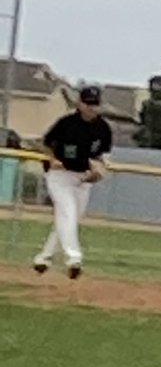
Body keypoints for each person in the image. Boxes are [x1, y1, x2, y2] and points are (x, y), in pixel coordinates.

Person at [33, 84, 112, 278]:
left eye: (95, 104)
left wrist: (98, 172)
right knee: (67, 213)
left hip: (83, 179)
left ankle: (44, 258)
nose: (92, 108)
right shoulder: (67, 123)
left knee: (68, 220)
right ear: (80, 103)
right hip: (60, 177)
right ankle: (74, 258)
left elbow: (103, 157)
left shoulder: (103, 128)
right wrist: (51, 158)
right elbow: (44, 143)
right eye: (88, 103)